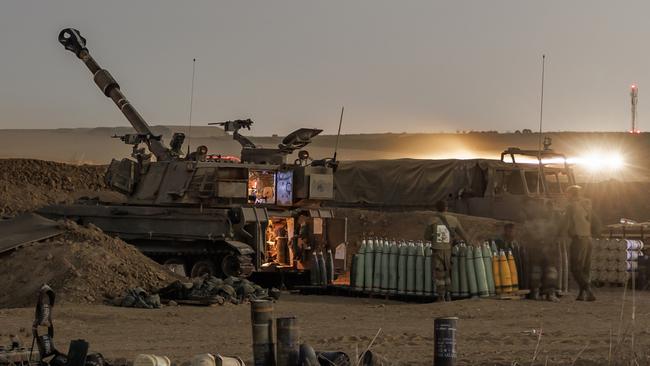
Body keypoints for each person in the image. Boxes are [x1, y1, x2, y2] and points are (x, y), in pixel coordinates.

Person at [424, 200, 470, 301]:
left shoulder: (432, 220)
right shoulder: (454, 220)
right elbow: (463, 234)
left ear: (436, 208)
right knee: (447, 272)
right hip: (448, 250)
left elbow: (426, 236)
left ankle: (441, 296)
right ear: (447, 208)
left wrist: (434, 236)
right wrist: (468, 244)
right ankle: (448, 295)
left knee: (439, 274)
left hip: (437, 250)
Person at [561, 185, 595, 301]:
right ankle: (582, 294)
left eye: (568, 194)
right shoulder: (587, 203)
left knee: (575, 268)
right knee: (585, 267)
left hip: (578, 239)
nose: (566, 196)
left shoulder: (571, 206)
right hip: (588, 238)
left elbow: (566, 222)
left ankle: (588, 289)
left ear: (571, 194)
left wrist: (560, 234)